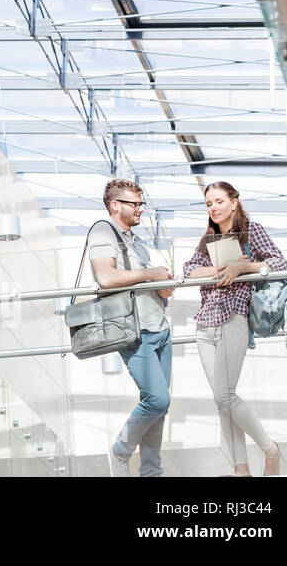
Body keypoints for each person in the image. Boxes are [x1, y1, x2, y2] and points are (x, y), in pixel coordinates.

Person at [182, 182, 286, 476]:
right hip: (205, 322)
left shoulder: (252, 230)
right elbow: (189, 270)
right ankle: (241, 469)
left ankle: (270, 450)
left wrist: (243, 267)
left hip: (234, 317)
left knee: (224, 395)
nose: (213, 208)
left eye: (218, 201)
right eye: (208, 204)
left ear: (234, 202)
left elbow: (279, 262)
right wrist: (223, 267)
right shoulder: (208, 238)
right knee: (221, 400)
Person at [90, 179, 175, 477]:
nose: (141, 209)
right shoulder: (103, 230)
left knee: (159, 407)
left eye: (141, 203)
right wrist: (150, 273)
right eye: (134, 203)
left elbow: (137, 280)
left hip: (159, 328)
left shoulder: (135, 239)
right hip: (135, 332)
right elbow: (106, 278)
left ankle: (151, 472)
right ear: (116, 205)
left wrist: (160, 286)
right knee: (157, 398)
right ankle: (120, 451)